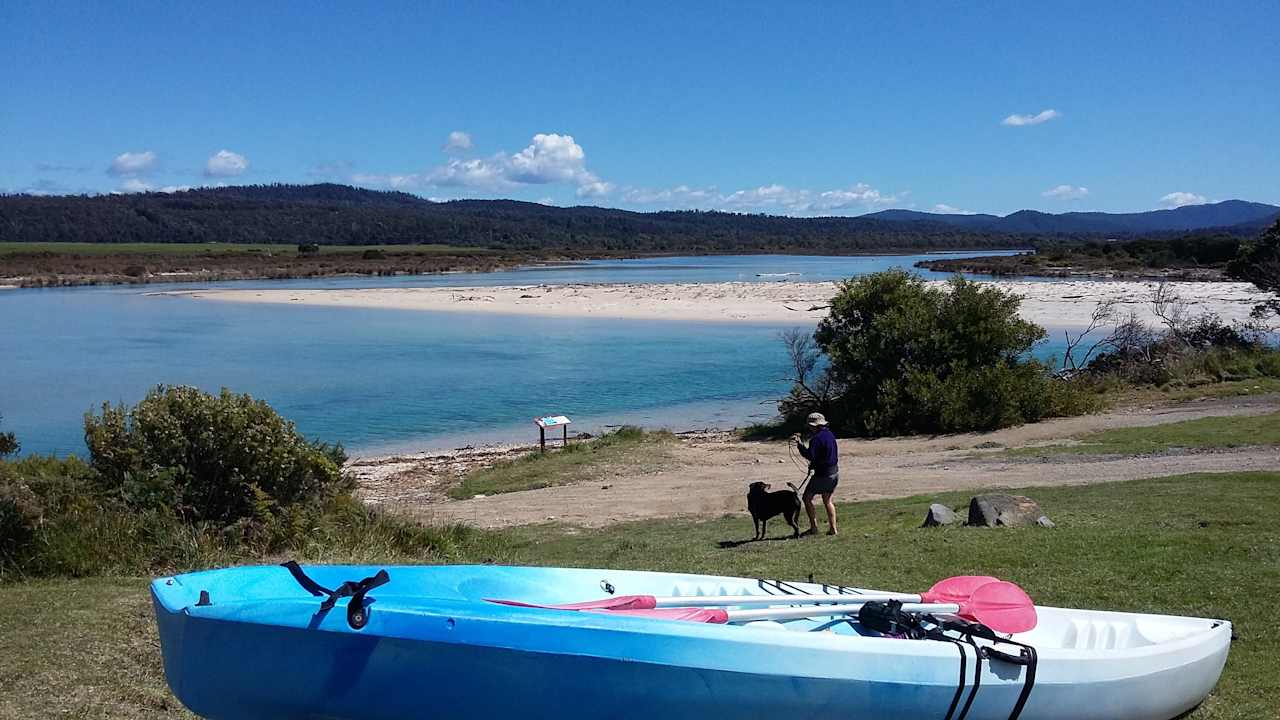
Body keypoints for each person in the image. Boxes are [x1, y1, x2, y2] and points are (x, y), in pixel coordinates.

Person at [794, 412, 839, 536]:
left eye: (810, 426)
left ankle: (814, 528)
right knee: (828, 500)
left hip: (822, 475)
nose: (809, 428)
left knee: (806, 498)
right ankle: (833, 528)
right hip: (834, 473)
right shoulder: (830, 435)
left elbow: (810, 455)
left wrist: (799, 445)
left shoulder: (816, 439)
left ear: (814, 426)